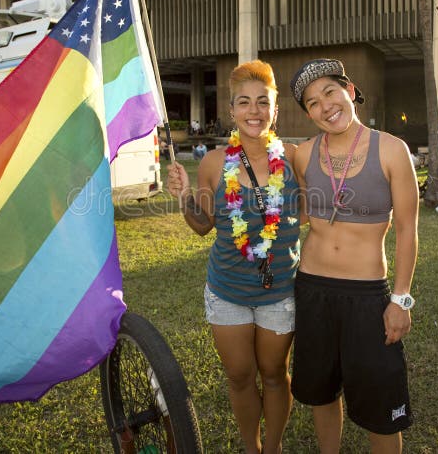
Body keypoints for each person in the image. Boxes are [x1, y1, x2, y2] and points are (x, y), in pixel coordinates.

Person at [166, 60, 301, 454]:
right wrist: (183, 197)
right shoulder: (213, 163)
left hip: (279, 292)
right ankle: (251, 448)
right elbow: (202, 225)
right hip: (227, 290)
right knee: (240, 377)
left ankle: (272, 448)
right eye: (245, 102)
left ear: (275, 110)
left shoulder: (294, 158)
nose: (254, 111)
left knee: (276, 374)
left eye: (263, 102)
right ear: (232, 111)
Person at [289, 58, 418, 453]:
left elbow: (408, 230)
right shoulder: (302, 154)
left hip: (366, 294)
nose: (324, 106)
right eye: (312, 103)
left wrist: (400, 300)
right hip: (311, 288)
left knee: (379, 403)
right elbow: (299, 212)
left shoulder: (392, 150)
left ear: (350, 90)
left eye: (329, 92)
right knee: (322, 392)